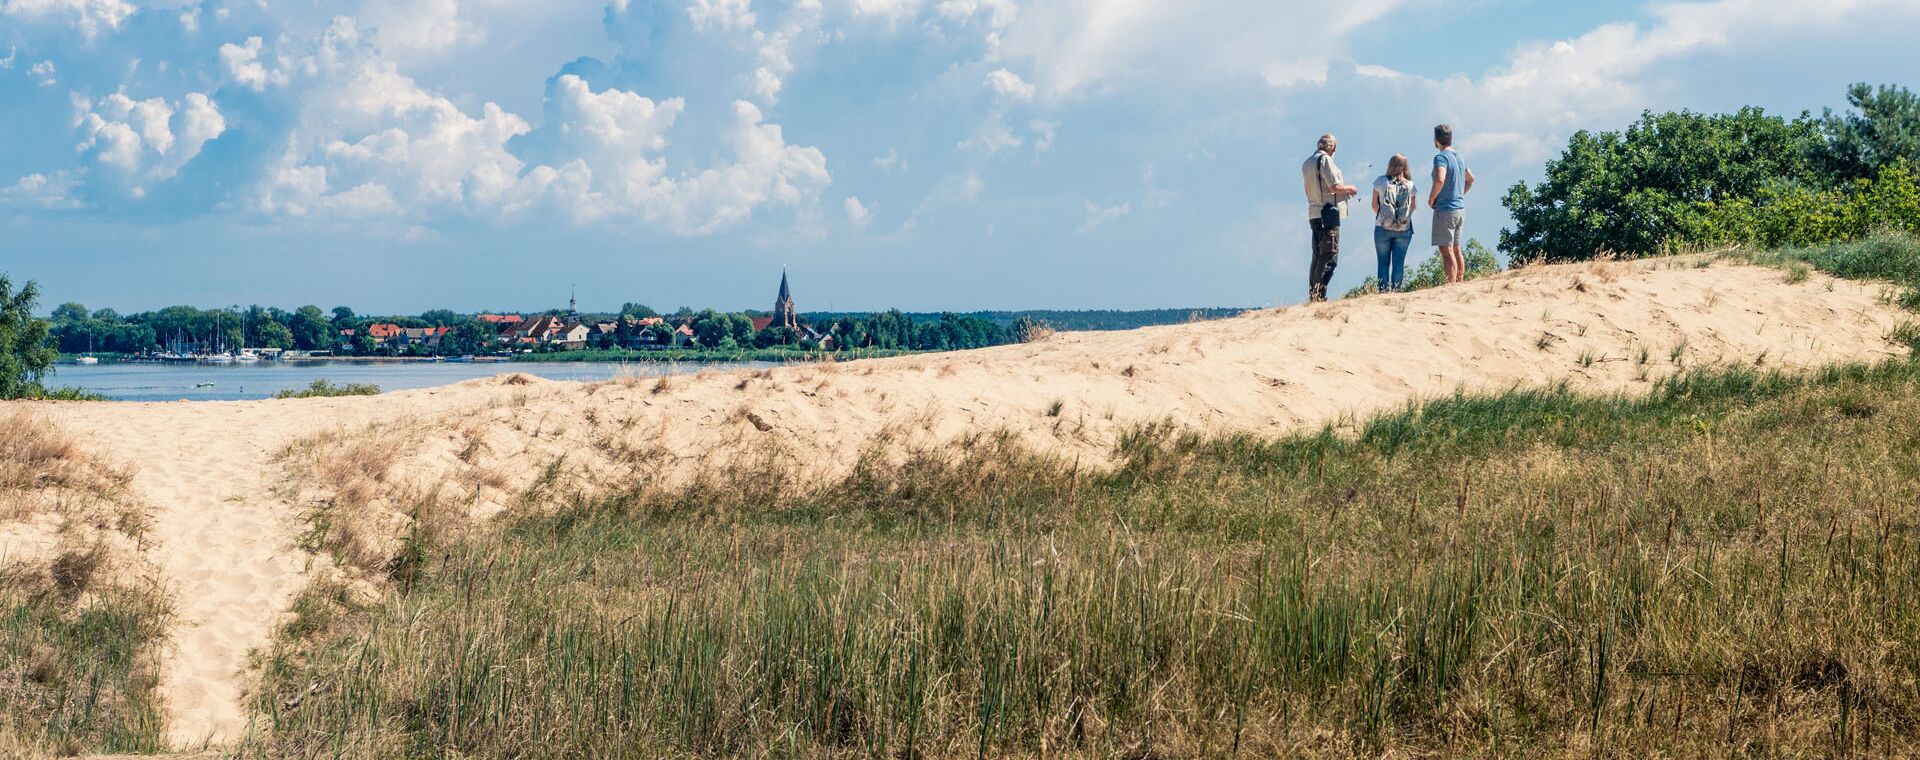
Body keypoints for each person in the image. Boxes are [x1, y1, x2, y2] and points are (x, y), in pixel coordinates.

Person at [1301, 133, 1360, 302]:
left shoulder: (1307, 163)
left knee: (1318, 255)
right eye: (1335, 147)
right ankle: (1319, 296)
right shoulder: (1325, 160)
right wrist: (1350, 188)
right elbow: (1334, 186)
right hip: (1327, 213)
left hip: (1314, 212)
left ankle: (1314, 294)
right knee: (1330, 256)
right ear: (1330, 147)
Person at [1428, 124, 1476, 284]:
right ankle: (1460, 281)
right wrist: (1460, 194)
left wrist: (1432, 198)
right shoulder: (1459, 156)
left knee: (1446, 249)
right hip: (1460, 208)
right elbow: (1471, 179)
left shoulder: (1441, 157)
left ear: (1436, 140)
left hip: (1446, 209)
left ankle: (1451, 284)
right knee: (1456, 248)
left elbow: (1440, 178)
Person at [1370, 154, 1417, 292]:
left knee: (1383, 263)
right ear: (1405, 167)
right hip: (1404, 229)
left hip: (1382, 228)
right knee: (1398, 263)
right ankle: (1396, 292)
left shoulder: (1380, 181)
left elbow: (1374, 205)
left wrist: (1386, 218)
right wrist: (1401, 220)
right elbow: (1412, 207)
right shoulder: (1410, 185)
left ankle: (1383, 292)